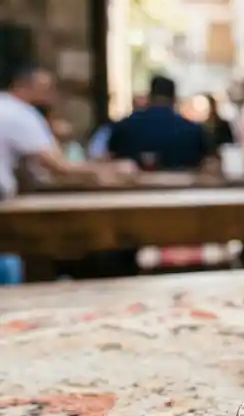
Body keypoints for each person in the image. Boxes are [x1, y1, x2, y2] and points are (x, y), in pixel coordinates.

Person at [0, 64, 132, 283]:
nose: (50, 98)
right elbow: (60, 167)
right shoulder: (20, 113)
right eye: (45, 89)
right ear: (24, 86)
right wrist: (109, 170)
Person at [108, 75, 213, 171]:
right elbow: (208, 165)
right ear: (174, 98)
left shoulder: (124, 127)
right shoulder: (194, 131)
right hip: (182, 190)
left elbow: (110, 160)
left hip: (134, 189)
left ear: (150, 96)